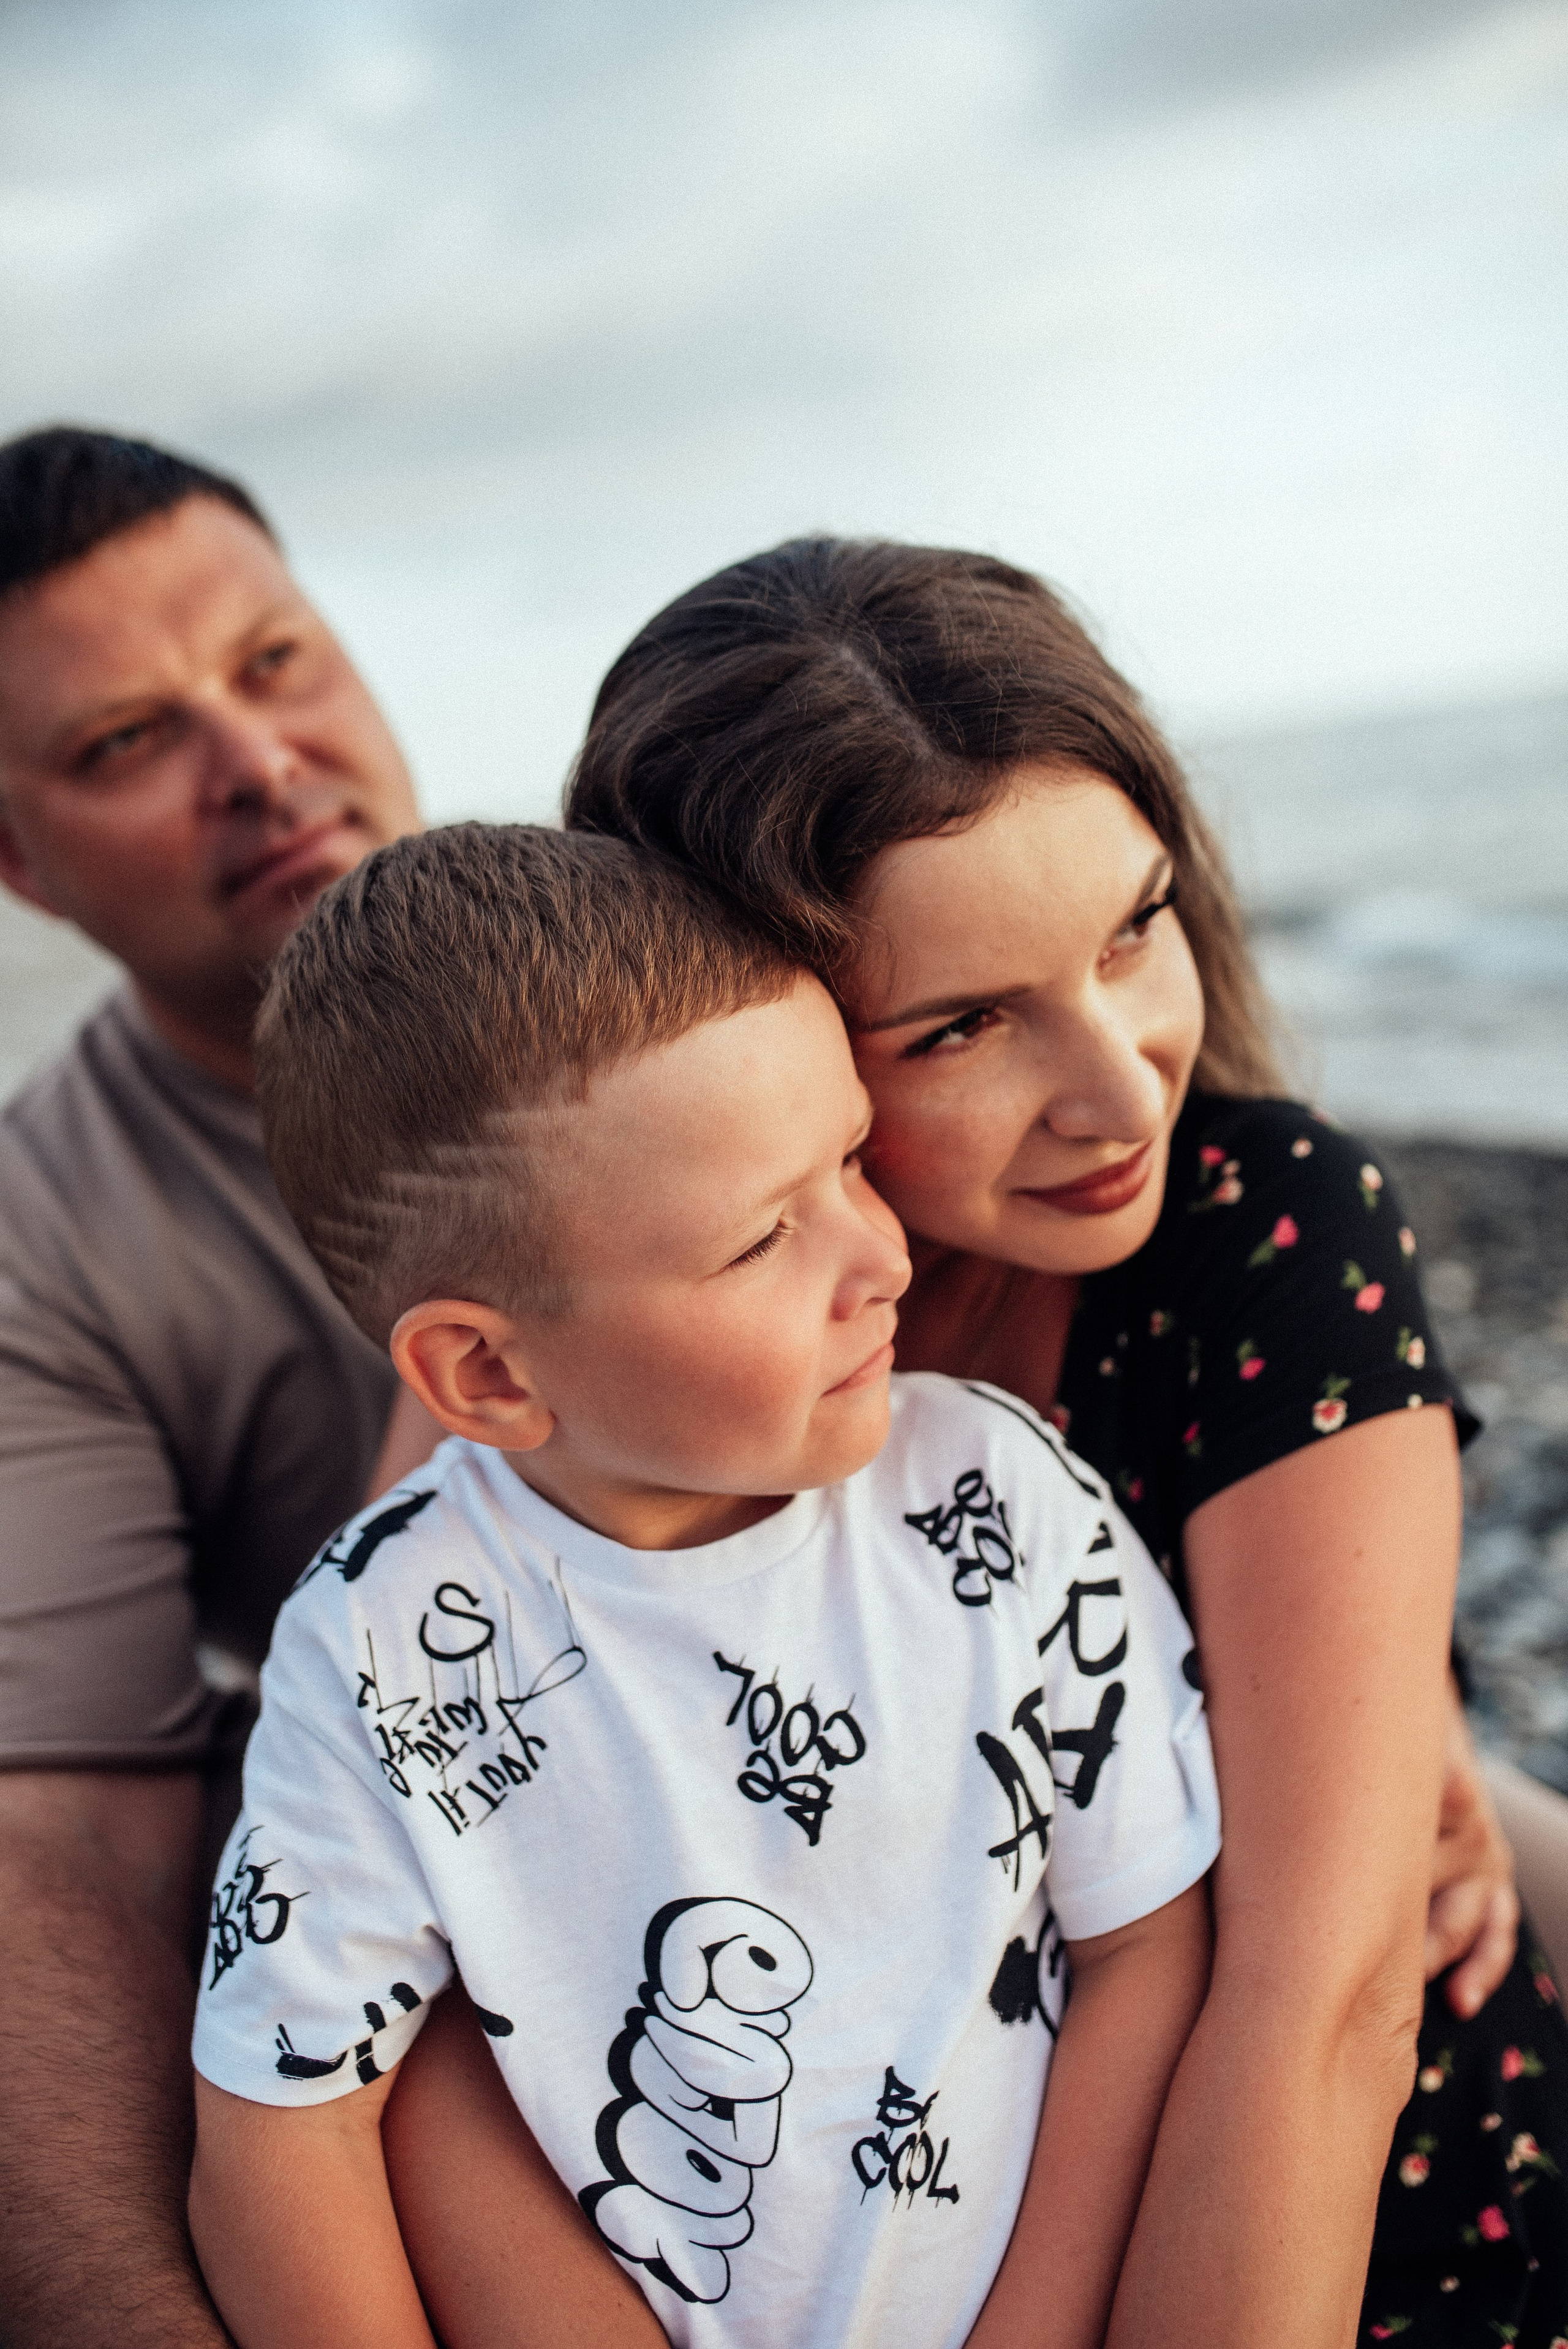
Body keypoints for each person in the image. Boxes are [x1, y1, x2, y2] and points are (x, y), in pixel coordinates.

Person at [550, 541, 1568, 2343]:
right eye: (960, 1025)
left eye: (1132, 928)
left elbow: (1320, 2006)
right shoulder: (615, 1345)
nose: (1124, 1086)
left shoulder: (1261, 1229)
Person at [188, 823, 1220, 2349]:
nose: (878, 1256)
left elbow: (1145, 1938)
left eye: (852, 1160)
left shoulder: (991, 1499)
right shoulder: (385, 1644)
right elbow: (285, 2124)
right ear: (483, 1370)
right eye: (761, 1238)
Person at [0, 425, 421, 2348]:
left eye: (274, 663)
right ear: (14, 860)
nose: (259, 764)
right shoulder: (40, 1240)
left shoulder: (702, 912)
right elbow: (62, 1841)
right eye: (125, 743)